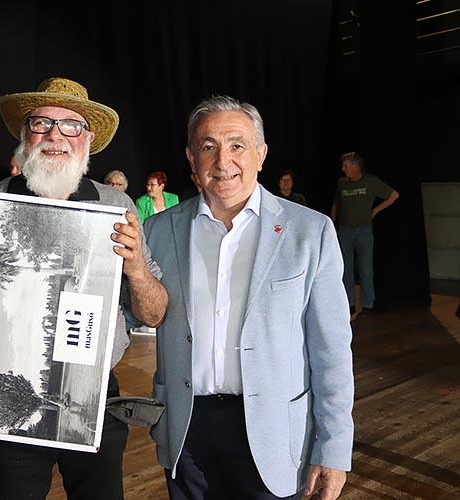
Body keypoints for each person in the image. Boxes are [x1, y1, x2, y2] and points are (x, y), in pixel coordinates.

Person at [0, 76, 167, 500]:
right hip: (8, 408)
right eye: (41, 123)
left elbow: (155, 314)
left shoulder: (117, 207)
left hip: (95, 400)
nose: (55, 135)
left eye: (70, 125)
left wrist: (138, 271)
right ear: (24, 135)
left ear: (88, 139)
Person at [143, 96, 354, 499]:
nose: (223, 161)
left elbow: (332, 350)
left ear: (261, 154)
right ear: (191, 158)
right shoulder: (159, 230)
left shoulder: (310, 232)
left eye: (237, 145)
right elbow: (137, 312)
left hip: (274, 433)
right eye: (208, 146)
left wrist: (334, 446)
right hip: (187, 432)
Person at [330, 152, 399, 316]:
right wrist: (331, 224)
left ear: (356, 166)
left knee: (366, 269)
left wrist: (375, 210)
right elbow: (336, 204)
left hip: (363, 231)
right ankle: (349, 304)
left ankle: (368, 305)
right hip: (345, 231)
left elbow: (394, 195)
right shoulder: (342, 183)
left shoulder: (371, 181)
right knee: (346, 269)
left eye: (346, 166)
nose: (343, 169)